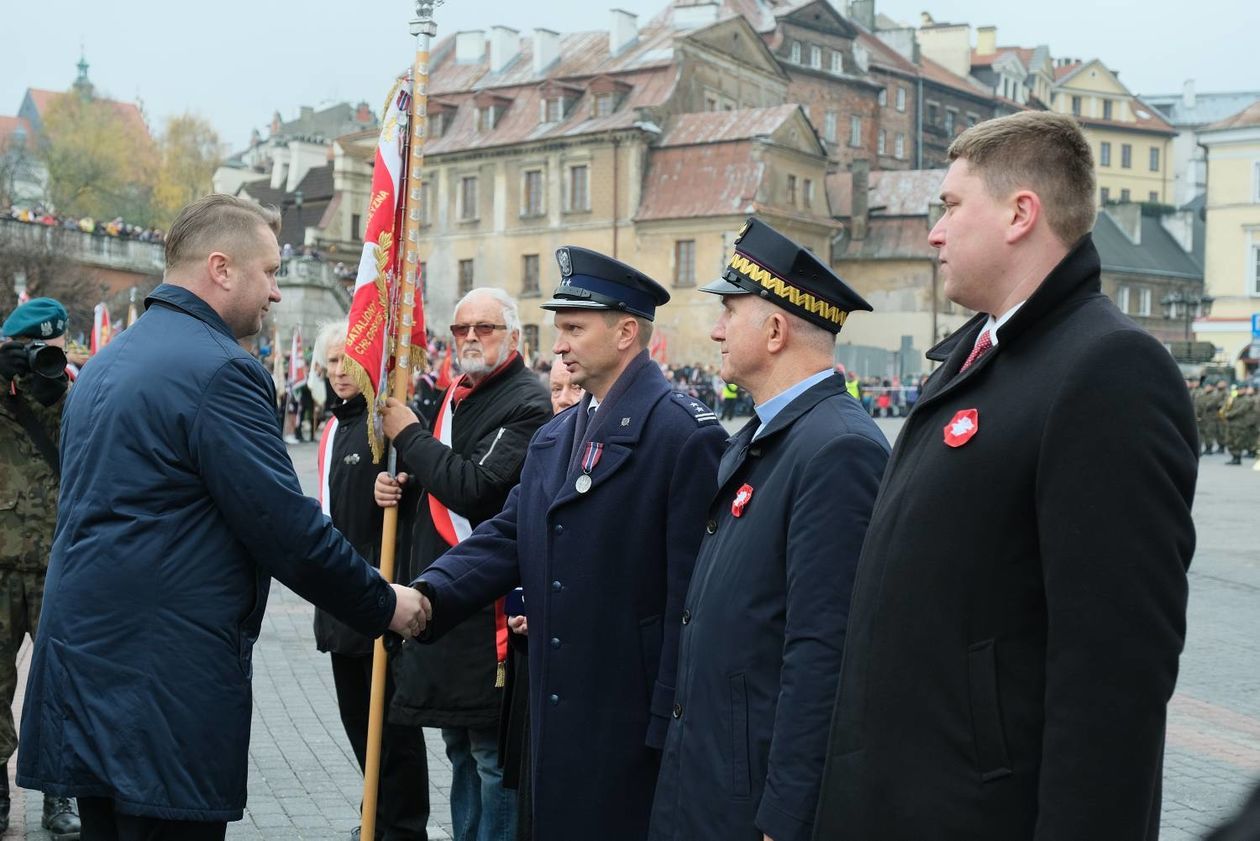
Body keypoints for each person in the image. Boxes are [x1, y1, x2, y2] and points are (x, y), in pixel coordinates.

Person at [814, 112, 1199, 841]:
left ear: (1022, 213)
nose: (935, 232)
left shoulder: (1106, 370)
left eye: (952, 207)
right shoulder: (978, 357)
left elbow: (1114, 679)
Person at [16, 194, 431, 841]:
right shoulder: (222, 371)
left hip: (85, 684)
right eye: (268, 273)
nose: (274, 293)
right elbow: (286, 529)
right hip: (164, 693)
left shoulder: (101, 367)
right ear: (220, 268)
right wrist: (385, 602)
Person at [387, 246, 727, 841]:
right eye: (558, 328)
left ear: (626, 332)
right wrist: (429, 596)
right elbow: (509, 535)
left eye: (574, 327)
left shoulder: (680, 435)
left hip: (629, 718)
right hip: (554, 706)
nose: (560, 344)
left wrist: (670, 721)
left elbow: (689, 599)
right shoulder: (558, 435)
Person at [648, 219, 889, 841]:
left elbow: (823, 653)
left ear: (776, 330)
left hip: (751, 802)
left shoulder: (838, 449)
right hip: (705, 779)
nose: (716, 329)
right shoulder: (762, 437)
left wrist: (787, 815)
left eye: (730, 310)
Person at [376, 289, 550, 841]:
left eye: (486, 327)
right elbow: (440, 480)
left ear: (515, 337)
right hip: (448, 599)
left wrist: (408, 434)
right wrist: (400, 486)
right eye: (461, 329)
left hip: (488, 607)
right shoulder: (457, 393)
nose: (471, 337)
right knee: (459, 749)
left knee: (490, 756)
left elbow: (475, 490)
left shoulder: (528, 401)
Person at [311, 319, 430, 841]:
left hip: (382, 597)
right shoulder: (335, 426)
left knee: (394, 735)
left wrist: (401, 488)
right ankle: (375, 818)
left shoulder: (391, 425)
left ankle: (400, 829)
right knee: (361, 727)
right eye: (332, 361)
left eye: (348, 360)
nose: (340, 371)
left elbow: (426, 494)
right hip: (341, 602)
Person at [0, 298, 80, 839]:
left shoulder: (77, 394)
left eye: (52, 351)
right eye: (32, 351)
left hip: (61, 565)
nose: (42, 362)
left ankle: (60, 794)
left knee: (63, 685)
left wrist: (62, 394)